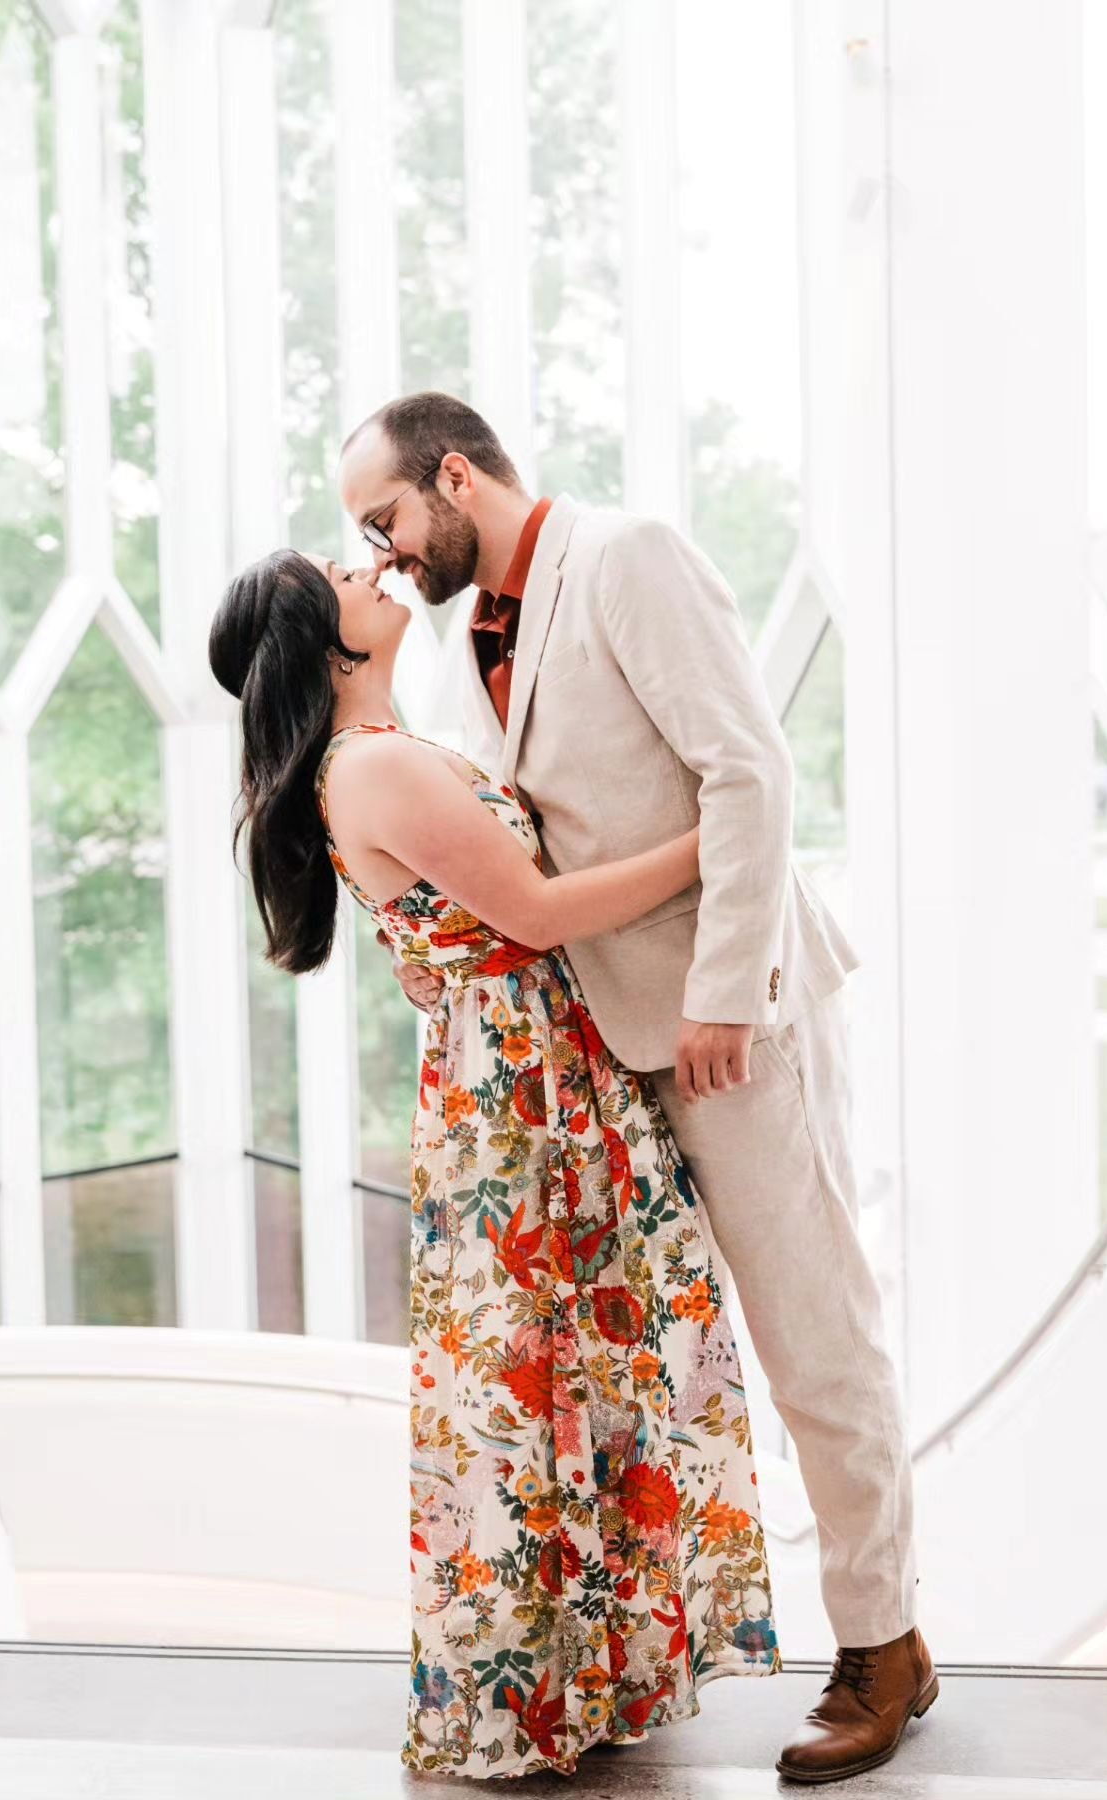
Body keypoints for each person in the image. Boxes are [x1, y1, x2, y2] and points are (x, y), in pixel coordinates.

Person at [336, 391, 938, 1785]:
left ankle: (886, 1649)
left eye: (385, 520)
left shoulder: (627, 555)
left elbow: (750, 768)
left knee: (816, 1335)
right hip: (619, 1043)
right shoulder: (482, 633)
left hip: (737, 1021)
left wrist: (731, 986)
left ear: (456, 474)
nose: (382, 551)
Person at [209, 546, 785, 1780]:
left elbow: (448, 941)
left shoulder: (369, 761)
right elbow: (536, 913)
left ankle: (577, 1679)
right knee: (549, 1366)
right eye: (343, 572)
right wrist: (712, 838)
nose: (373, 568)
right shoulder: (379, 765)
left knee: (561, 1364)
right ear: (329, 641)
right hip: (530, 1096)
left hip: (521, 1080)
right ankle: (545, 1687)